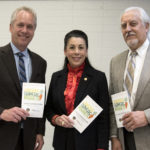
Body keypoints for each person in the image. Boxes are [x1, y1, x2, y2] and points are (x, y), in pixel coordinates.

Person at [44, 30, 109, 150]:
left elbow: (104, 118)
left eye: (81, 47)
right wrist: (56, 119)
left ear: (86, 51)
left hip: (89, 144)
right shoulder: (56, 77)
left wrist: (102, 147)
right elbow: (48, 109)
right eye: (72, 47)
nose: (76, 52)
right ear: (65, 51)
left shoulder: (98, 78)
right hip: (61, 143)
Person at [0, 6, 47, 150]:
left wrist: (39, 131)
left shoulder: (40, 63)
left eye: (30, 27)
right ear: (10, 27)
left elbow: (41, 99)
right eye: (20, 25)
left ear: (34, 31)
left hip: (28, 138)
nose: (25, 30)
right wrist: (2, 112)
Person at [110, 6, 150, 150]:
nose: (127, 29)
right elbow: (112, 103)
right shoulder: (115, 61)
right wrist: (114, 137)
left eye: (133, 24)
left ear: (146, 26)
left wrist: (147, 116)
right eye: (123, 26)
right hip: (124, 140)